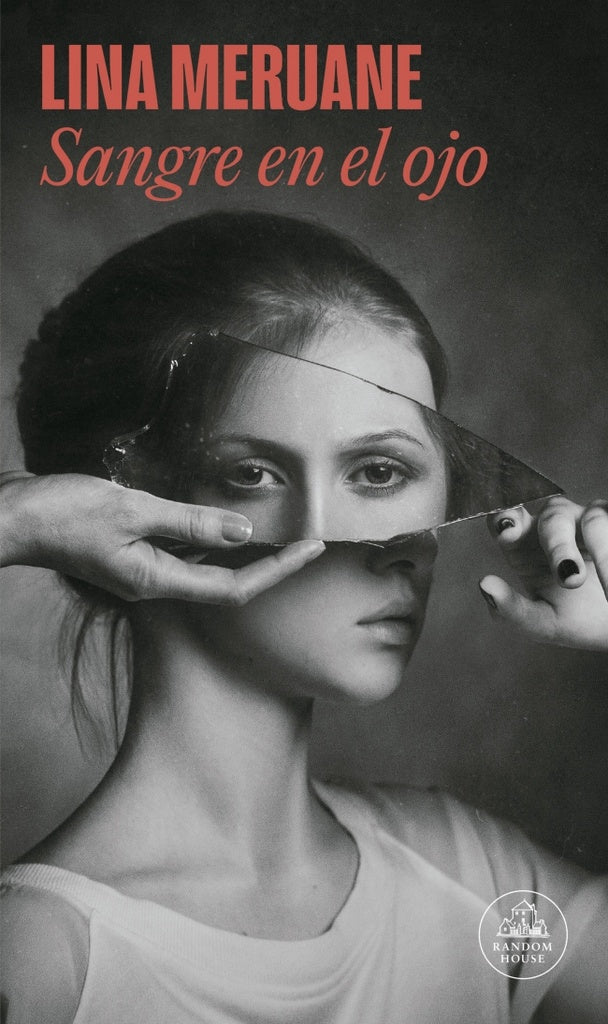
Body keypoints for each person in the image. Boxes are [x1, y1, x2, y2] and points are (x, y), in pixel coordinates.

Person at [1, 211, 607, 1023]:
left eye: (384, 472)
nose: (395, 549)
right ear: (129, 509)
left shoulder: (479, 881)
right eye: (254, 472)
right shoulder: (42, 958)